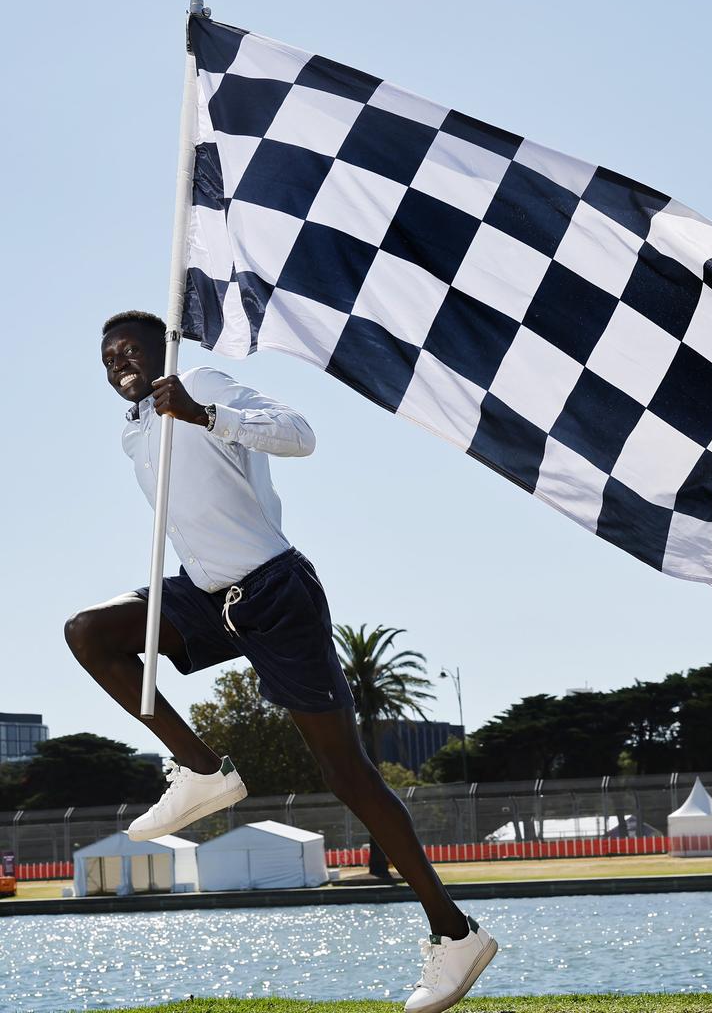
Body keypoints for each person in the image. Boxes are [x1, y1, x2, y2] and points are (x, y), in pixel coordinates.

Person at [64, 310, 497, 1012]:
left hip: (273, 592)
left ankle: (455, 933)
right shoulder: (135, 431)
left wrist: (205, 414)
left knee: (346, 774)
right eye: (107, 355)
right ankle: (202, 769)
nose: (119, 361)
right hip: (206, 596)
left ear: (163, 348)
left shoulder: (200, 381)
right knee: (90, 632)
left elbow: (301, 434)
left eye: (131, 348)